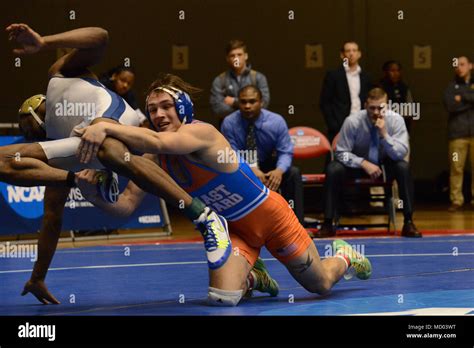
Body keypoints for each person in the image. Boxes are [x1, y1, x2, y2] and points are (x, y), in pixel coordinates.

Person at [75, 73, 372, 307]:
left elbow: (156, 141)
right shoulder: (154, 158)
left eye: (166, 106)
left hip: (272, 218)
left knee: (319, 285)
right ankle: (255, 279)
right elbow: (126, 205)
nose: (159, 114)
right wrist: (94, 198)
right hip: (236, 230)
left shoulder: (200, 133)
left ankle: (345, 256)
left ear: (183, 108)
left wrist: (106, 127)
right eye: (152, 109)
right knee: (222, 298)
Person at [2, 23, 231, 304]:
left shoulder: (60, 76)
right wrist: (37, 277)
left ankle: (203, 216)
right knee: (5, 161)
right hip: (81, 148)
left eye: (31, 112)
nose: (27, 119)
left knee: (107, 147)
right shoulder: (55, 151)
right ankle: (88, 177)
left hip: (112, 121)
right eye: (24, 121)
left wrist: (43, 41)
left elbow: (100, 38)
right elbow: (52, 220)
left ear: (42, 104)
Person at [315, 88, 421, 239]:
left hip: (384, 165)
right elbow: (341, 154)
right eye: (372, 108)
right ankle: (327, 223)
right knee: (333, 169)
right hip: (357, 166)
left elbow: (400, 153)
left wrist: (384, 135)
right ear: (365, 106)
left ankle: (408, 222)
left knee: (403, 167)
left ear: (388, 106)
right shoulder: (352, 121)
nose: (376, 112)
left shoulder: (396, 120)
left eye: (381, 108)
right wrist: (362, 162)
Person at [221, 85, 304, 224]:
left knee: (293, 173)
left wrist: (279, 170)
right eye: (243, 102)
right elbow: (231, 153)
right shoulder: (229, 123)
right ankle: (236, 226)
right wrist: (251, 169)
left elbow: (285, 151)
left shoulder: (276, 121)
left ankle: (297, 224)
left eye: (252, 101)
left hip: (268, 164)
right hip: (241, 166)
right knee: (225, 172)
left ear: (261, 102)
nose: (247, 106)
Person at [320, 41, 372, 142]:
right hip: (339, 127)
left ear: (359, 54)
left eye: (354, 50)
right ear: (342, 55)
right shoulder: (333, 75)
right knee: (338, 156)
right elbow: (325, 102)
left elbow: (371, 100)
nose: (351, 53)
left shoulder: (367, 77)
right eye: (348, 51)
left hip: (363, 125)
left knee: (363, 156)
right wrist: (333, 125)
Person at [210, 39, 270, 127]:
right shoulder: (219, 80)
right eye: (232, 55)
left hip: (255, 126)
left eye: (239, 55)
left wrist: (234, 101)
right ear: (227, 58)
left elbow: (264, 103)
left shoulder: (258, 77)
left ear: (246, 56)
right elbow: (217, 108)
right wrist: (248, 108)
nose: (236, 58)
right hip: (229, 127)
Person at [443, 55, 474, 212]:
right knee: (456, 167)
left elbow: (459, 103)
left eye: (462, 64)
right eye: (457, 65)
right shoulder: (451, 87)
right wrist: (470, 101)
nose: (459, 67)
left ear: (470, 66)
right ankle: (456, 199)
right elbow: (450, 106)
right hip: (457, 135)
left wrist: (462, 98)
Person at [379, 60, 414, 134]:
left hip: (402, 126)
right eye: (392, 70)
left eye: (398, 70)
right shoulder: (380, 88)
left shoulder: (404, 87)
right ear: (386, 72)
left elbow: (410, 109)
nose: (395, 73)